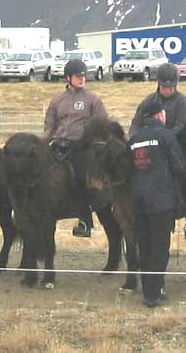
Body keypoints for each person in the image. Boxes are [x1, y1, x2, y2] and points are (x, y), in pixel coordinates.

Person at [129, 63, 186, 239]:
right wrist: (135, 138)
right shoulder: (149, 101)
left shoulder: (184, 103)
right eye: (164, 86)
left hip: (177, 148)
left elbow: (182, 126)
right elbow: (136, 122)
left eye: (170, 86)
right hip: (150, 149)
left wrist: (162, 138)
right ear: (158, 84)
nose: (167, 89)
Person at [128, 101, 186, 308]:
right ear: (160, 115)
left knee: (144, 246)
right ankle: (154, 293)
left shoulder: (134, 138)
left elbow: (128, 168)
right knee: (160, 248)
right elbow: (179, 166)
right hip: (161, 200)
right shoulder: (165, 135)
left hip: (138, 200)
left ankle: (147, 290)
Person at [44, 59, 108, 237]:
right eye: (78, 76)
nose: (82, 79)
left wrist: (89, 141)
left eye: (83, 76)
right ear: (68, 78)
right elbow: (49, 126)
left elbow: (102, 125)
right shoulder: (57, 101)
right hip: (58, 146)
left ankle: (85, 221)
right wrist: (44, 144)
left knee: (80, 177)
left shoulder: (92, 99)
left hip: (81, 149)